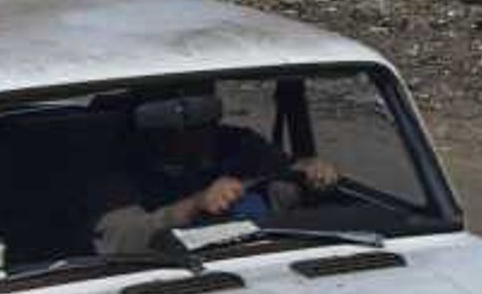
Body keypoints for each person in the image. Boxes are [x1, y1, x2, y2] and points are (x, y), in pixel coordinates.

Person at [94, 96, 340, 255]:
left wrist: (312, 175)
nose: (193, 133)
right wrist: (194, 206)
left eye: (203, 116)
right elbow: (117, 242)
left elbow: (283, 186)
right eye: (180, 116)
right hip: (175, 271)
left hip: (269, 253)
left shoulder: (242, 146)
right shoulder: (118, 168)